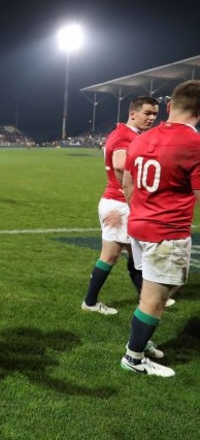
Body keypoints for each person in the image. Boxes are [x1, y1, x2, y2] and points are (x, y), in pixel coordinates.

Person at [120, 80, 200, 377]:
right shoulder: (194, 143)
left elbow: (127, 183)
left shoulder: (142, 138)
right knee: (155, 298)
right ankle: (134, 356)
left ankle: (141, 339)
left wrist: (142, 211)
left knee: (159, 291)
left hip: (139, 225)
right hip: (167, 230)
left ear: (169, 106)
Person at [81, 96, 159, 315]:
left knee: (136, 254)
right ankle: (90, 302)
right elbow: (119, 167)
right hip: (119, 204)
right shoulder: (125, 136)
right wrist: (133, 202)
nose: (152, 118)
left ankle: (146, 297)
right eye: (147, 113)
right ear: (132, 113)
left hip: (119, 203)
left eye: (154, 113)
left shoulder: (129, 134)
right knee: (110, 256)